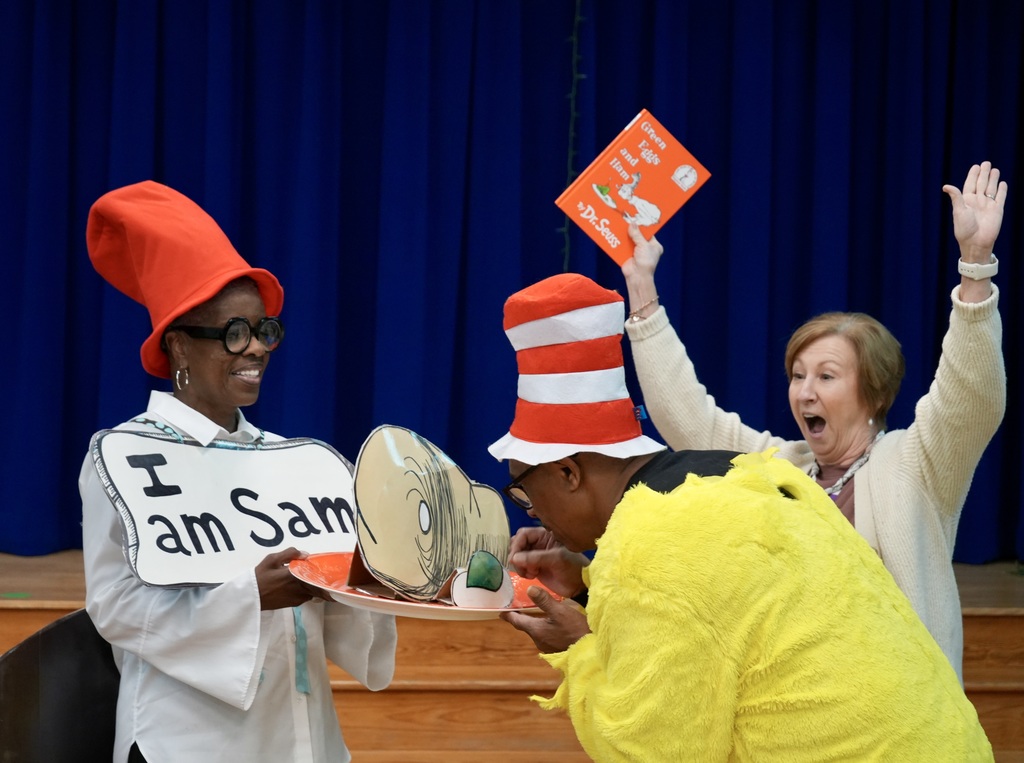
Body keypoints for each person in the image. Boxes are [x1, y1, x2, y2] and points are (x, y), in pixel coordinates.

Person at [491, 272, 993, 761]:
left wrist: (579, 651)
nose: (533, 514)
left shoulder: (654, 539)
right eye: (798, 375)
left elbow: (653, 751)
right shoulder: (757, 474)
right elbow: (711, 609)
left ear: (567, 472)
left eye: (524, 493)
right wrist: (587, 581)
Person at [619, 160, 1007, 683]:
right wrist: (641, 287)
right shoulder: (783, 466)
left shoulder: (916, 463)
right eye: (797, 375)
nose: (804, 391)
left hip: (895, 722)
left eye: (826, 376)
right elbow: (689, 418)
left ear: (871, 392)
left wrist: (975, 266)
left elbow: (970, 395)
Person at [80, 180, 396, 762]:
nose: (255, 348)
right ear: (178, 347)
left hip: (303, 733)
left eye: (263, 330)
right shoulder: (124, 456)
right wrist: (249, 596)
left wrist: (365, 581)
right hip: (189, 737)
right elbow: (115, 608)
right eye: (232, 333)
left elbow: (332, 594)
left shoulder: (293, 460)